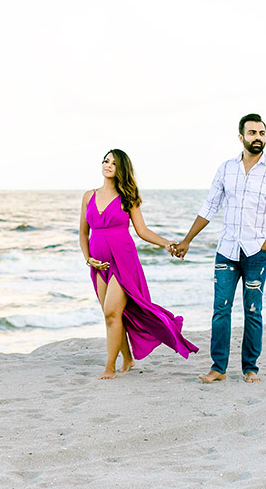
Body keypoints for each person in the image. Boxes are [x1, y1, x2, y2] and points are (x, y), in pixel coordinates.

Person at [174, 114, 266, 384]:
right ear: (241, 137)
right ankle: (218, 368)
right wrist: (187, 240)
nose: (258, 138)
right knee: (221, 309)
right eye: (252, 133)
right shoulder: (226, 168)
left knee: (253, 310)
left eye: (262, 133)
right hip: (227, 249)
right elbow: (210, 207)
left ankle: (250, 368)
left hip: (257, 252)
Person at [80, 149, 198, 379]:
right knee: (113, 315)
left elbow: (142, 231)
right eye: (105, 161)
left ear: (121, 168)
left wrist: (166, 244)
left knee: (112, 312)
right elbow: (83, 234)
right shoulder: (88, 196)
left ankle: (109, 367)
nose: (108, 165)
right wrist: (88, 258)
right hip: (98, 264)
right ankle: (128, 359)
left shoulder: (128, 197)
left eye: (113, 163)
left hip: (123, 261)